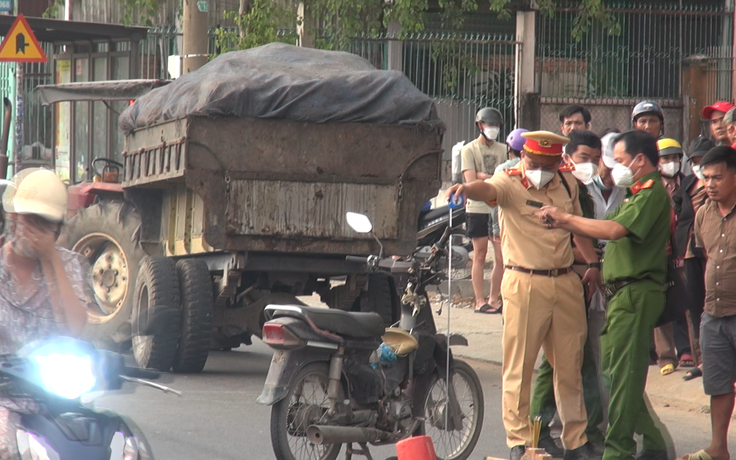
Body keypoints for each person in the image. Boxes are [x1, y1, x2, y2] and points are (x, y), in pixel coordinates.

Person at [446, 131, 600, 460]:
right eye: (533, 163)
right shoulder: (509, 180)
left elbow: (576, 227)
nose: (539, 170)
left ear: (558, 162)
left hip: (565, 283)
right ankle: (518, 443)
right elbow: (487, 189)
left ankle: (576, 441)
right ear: (522, 158)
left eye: (547, 164)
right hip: (524, 283)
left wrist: (594, 263)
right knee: (519, 367)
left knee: (570, 368)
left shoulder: (568, 183)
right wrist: (465, 187)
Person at [537, 130, 673, 460]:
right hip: (622, 295)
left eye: (621, 162)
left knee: (623, 377)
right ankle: (654, 443)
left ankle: (619, 450)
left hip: (636, 292)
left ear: (640, 160)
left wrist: (566, 219)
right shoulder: (636, 191)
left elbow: (613, 230)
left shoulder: (651, 192)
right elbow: (604, 229)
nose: (615, 169)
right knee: (615, 374)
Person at [0, 168, 92, 457]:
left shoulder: (69, 264)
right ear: (13, 219)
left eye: (45, 225)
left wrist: (51, 258)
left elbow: (74, 328)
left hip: (55, 397)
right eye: (30, 221)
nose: (34, 232)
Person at [530, 130, 606, 458]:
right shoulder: (558, 187)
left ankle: (582, 434)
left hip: (582, 278)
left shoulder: (589, 190)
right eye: (582, 158)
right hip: (563, 276)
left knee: (576, 360)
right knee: (555, 363)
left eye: (593, 158)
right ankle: (538, 433)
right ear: (567, 158)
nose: (587, 165)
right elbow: (573, 234)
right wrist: (591, 261)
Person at [682, 146, 736, 460]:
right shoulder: (703, 213)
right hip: (713, 314)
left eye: (717, 177)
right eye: (706, 178)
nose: (710, 184)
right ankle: (718, 447)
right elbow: (707, 256)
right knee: (717, 384)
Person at [673, 136, 715, 381]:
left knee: (714, 302)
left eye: (704, 161)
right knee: (694, 303)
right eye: (695, 161)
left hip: (711, 249)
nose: (699, 166)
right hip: (689, 250)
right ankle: (700, 360)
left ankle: (716, 359)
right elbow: (679, 204)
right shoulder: (688, 182)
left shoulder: (723, 183)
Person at [461, 107, 507, 314]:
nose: (493, 129)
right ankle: (480, 301)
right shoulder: (469, 149)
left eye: (496, 125)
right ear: (480, 126)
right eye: (489, 125)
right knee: (479, 255)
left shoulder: (503, 149)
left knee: (501, 257)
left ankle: (494, 299)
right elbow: (470, 181)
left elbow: (509, 177)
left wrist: (482, 175)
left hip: (499, 207)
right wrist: (493, 178)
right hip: (477, 207)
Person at [654, 138, 692, 376]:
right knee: (663, 304)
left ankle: (689, 351)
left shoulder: (687, 184)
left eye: (675, 158)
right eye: (666, 158)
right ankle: (665, 356)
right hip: (662, 254)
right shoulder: (652, 188)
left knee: (688, 302)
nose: (671, 163)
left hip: (686, 251)